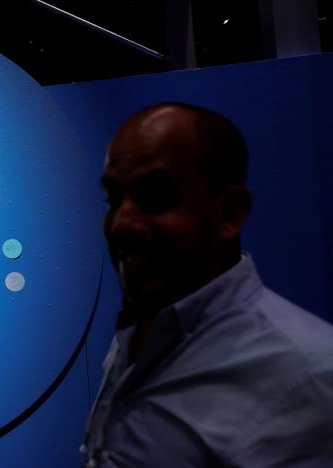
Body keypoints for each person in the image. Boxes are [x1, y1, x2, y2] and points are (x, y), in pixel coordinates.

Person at [82, 103, 333, 467]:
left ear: (229, 213)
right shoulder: (143, 333)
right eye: (113, 198)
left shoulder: (312, 380)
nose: (121, 223)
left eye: (155, 196)